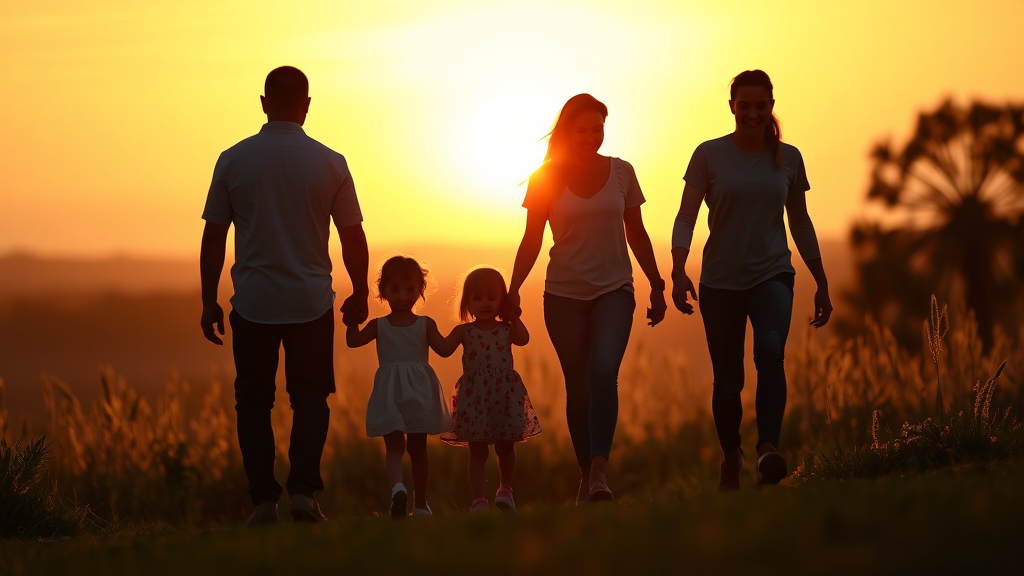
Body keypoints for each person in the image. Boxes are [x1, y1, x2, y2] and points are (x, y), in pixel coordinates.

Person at [200, 66, 369, 526]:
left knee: (253, 401)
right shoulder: (331, 162)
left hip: (252, 302)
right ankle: (302, 495)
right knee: (311, 399)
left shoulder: (233, 160)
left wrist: (207, 299)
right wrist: (359, 292)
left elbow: (214, 236)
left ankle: (261, 503)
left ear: (263, 103)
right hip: (311, 301)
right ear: (307, 105)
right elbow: (352, 235)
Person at [670, 69, 832, 491]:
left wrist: (821, 280)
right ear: (732, 107)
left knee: (771, 352)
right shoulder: (708, 155)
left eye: (762, 106)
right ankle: (731, 455)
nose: (753, 113)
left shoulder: (789, 158)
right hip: (720, 281)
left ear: (771, 107)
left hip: (772, 273)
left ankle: (767, 450)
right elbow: (687, 215)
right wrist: (678, 267)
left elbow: (800, 221)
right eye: (745, 106)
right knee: (728, 381)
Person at [508, 94, 667, 504]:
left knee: (602, 374)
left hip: (615, 289)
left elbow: (637, 232)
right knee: (578, 388)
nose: (592, 137)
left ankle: (599, 472)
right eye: (583, 130)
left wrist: (656, 282)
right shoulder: (545, 178)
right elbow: (531, 240)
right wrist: (512, 291)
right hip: (562, 296)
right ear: (566, 131)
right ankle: (584, 475)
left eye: (598, 129)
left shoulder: (622, 172)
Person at [345, 256, 453, 519]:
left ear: (419, 291)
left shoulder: (378, 325)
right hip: (419, 391)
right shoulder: (425, 324)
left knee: (393, 448)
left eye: (409, 289)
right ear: (383, 292)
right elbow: (445, 349)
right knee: (418, 450)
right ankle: (420, 504)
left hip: (389, 391)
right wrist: (466, 334)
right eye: (396, 289)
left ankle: (397, 488)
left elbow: (353, 341)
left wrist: (351, 320)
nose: (403, 295)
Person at [436, 267, 541, 513]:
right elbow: (443, 348)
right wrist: (421, 329)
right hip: (475, 398)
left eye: (492, 298)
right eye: (477, 298)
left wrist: (513, 316)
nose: (484, 303)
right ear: (467, 302)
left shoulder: (505, 329)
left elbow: (524, 338)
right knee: (477, 450)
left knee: (506, 446)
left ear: (501, 301)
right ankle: (479, 501)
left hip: (505, 395)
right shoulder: (464, 331)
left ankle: (505, 490)